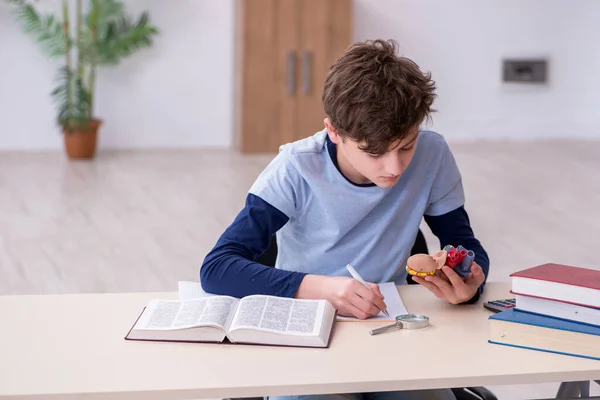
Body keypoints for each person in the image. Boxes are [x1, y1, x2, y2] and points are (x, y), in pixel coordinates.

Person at [200, 39, 490, 400]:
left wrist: (469, 282)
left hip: (393, 331)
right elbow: (216, 268)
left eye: (406, 146)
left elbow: (465, 245)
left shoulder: (432, 153)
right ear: (333, 131)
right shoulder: (295, 168)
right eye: (374, 152)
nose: (394, 168)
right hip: (308, 335)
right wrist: (322, 288)